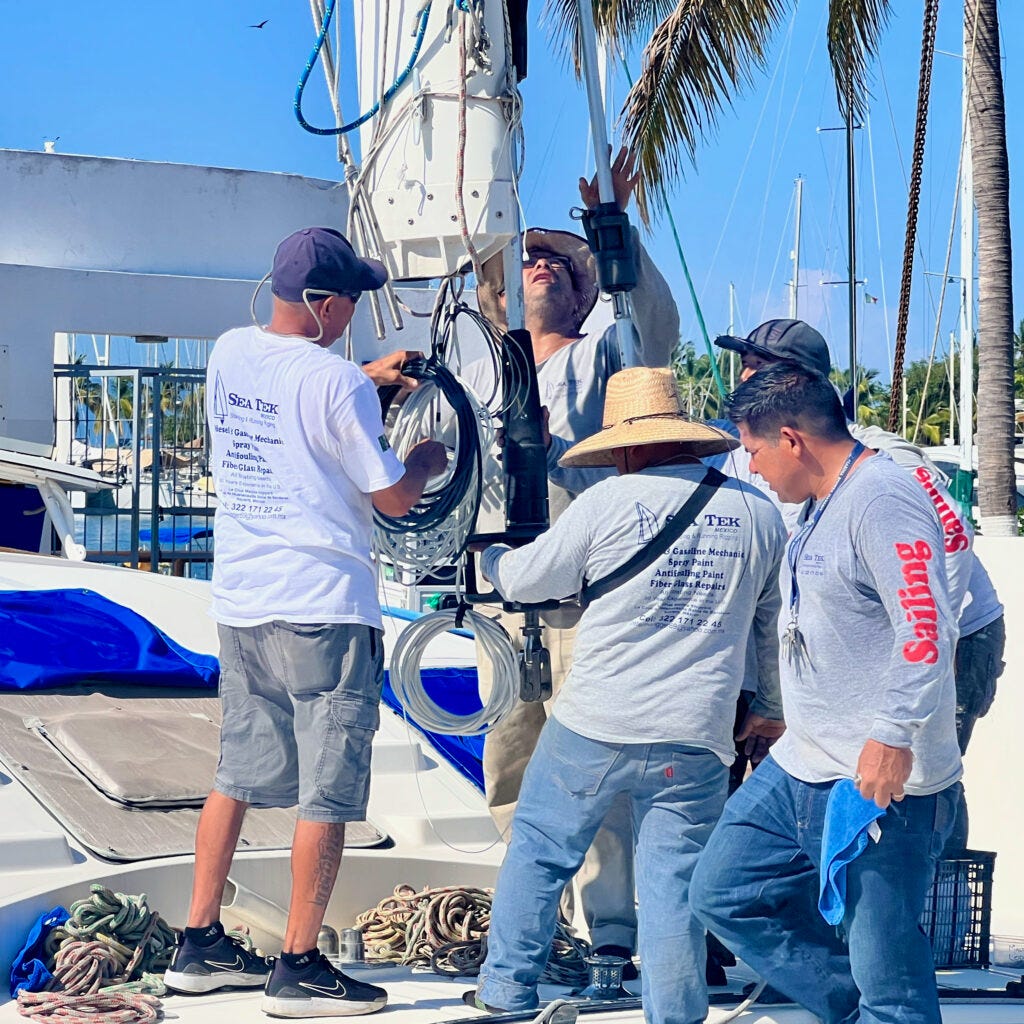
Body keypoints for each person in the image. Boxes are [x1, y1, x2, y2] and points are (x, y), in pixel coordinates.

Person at [164, 227, 447, 1018]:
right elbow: (392, 499)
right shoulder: (338, 385)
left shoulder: (229, 351)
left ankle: (200, 942)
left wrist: (362, 377)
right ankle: (298, 966)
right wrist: (422, 460)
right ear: (323, 303)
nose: (355, 309)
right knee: (326, 789)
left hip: (244, 604)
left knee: (238, 775)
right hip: (323, 607)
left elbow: (293, 390)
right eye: (350, 298)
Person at [464, 366, 786, 1023]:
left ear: (629, 446)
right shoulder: (756, 513)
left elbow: (527, 581)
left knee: (542, 850)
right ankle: (675, 1010)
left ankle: (505, 992)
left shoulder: (607, 504)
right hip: (697, 735)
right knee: (672, 883)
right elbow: (771, 627)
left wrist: (490, 561)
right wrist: (771, 709)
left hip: (596, 724)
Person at [690, 362, 963, 1024]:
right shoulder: (820, 501)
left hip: (878, 784)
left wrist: (894, 735)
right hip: (801, 766)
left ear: (791, 440)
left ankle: (880, 1006)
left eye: (752, 450)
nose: (750, 467)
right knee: (722, 891)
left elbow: (928, 630)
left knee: (892, 986)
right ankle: (854, 1005)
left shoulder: (881, 499)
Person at [469, 147, 679, 967]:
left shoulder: (604, 356)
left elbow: (656, 328)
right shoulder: (481, 372)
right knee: (510, 764)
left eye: (560, 261)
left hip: (586, 600)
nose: (541, 267)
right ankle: (535, 921)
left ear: (587, 292)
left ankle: (613, 930)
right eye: (529, 260)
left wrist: (614, 229)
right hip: (501, 597)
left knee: (595, 764)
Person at [713, 318, 1005, 846]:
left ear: (796, 386)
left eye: (757, 367)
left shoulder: (882, 465)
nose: (743, 376)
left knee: (919, 794)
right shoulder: (761, 454)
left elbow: (954, 542)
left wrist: (939, 643)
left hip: (958, 631)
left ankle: (940, 922)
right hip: (875, 639)